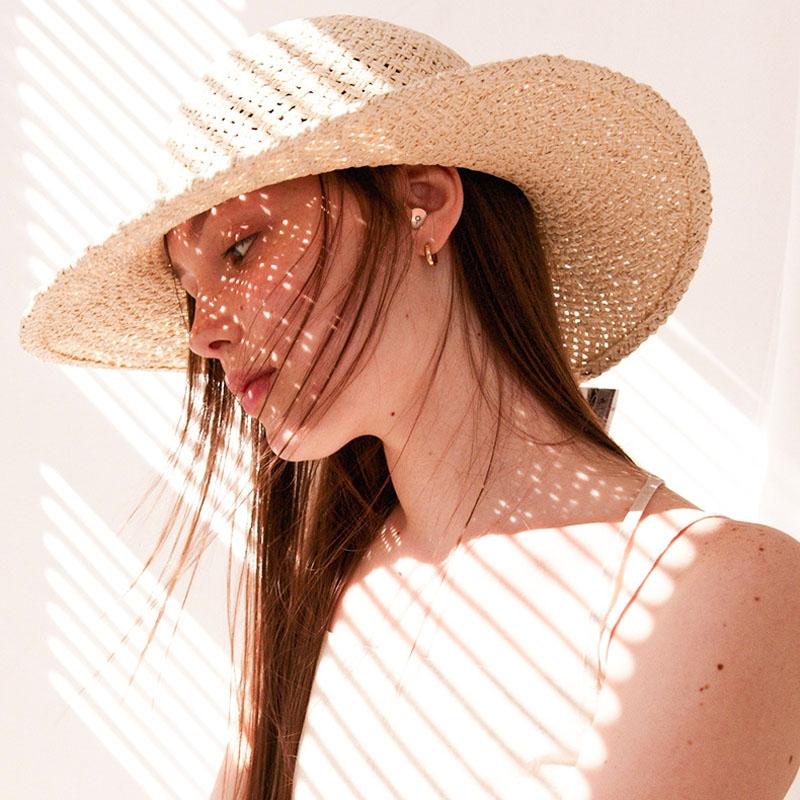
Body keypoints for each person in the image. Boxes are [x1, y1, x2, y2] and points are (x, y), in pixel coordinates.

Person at [18, 14, 800, 800]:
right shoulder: (304, 594)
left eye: (242, 248)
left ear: (423, 204)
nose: (204, 332)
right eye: (192, 293)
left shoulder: (716, 592)